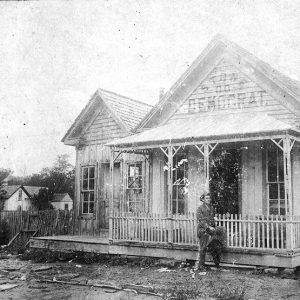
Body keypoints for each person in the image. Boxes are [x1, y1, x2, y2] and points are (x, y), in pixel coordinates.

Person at [194, 192, 215, 271]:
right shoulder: (200, 208)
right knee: (202, 248)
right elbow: (201, 220)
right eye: (206, 198)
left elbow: (211, 219)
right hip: (203, 230)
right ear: (203, 199)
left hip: (210, 230)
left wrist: (213, 225)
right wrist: (208, 227)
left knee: (207, 247)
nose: (208, 200)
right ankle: (201, 266)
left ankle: (204, 264)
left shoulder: (211, 208)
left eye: (209, 198)